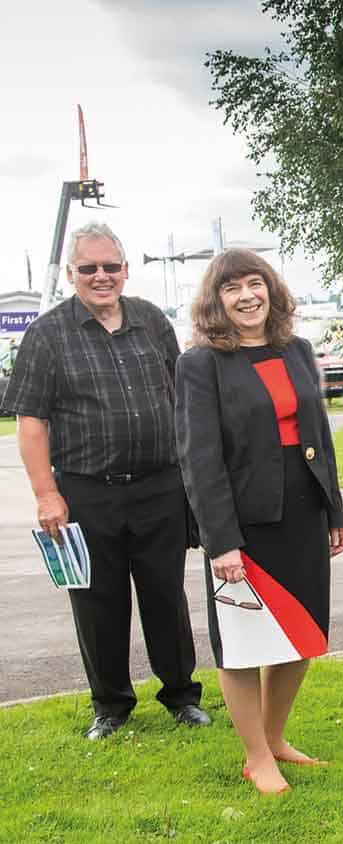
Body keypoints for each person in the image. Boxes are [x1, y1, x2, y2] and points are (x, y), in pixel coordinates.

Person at [1, 221, 208, 740]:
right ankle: (111, 706)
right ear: (72, 273)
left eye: (109, 267)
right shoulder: (47, 335)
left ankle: (182, 696)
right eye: (88, 268)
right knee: (97, 600)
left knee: (166, 594)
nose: (100, 276)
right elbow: (31, 423)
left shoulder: (151, 321)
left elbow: (180, 396)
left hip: (160, 485)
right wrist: (46, 494)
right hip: (86, 492)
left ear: (125, 270)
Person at [176, 249, 343, 794]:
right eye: (233, 288)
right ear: (216, 301)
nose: (247, 296)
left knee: (303, 636)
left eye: (256, 283)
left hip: (302, 513)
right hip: (243, 527)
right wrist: (220, 540)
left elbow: (318, 434)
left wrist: (333, 510)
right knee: (245, 643)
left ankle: (275, 739)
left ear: (271, 290)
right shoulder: (200, 364)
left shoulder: (296, 349)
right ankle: (256, 757)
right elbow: (198, 457)